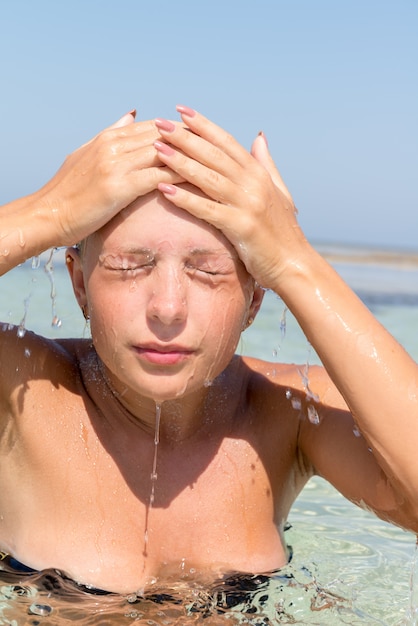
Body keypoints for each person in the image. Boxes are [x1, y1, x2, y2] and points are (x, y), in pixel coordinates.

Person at [0, 106, 417, 597]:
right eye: (130, 265)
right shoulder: (21, 385)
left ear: (254, 300)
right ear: (79, 285)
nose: (168, 307)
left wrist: (293, 259)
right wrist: (50, 210)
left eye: (208, 272)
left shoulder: (290, 409)